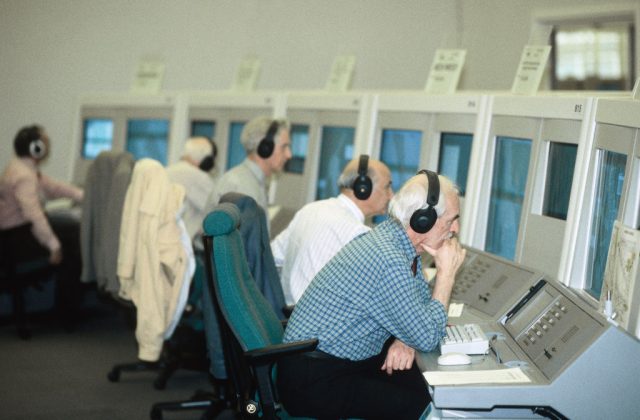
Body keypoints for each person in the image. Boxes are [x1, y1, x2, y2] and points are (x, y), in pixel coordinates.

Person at [277, 170, 466, 420]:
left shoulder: (395, 240)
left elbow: (416, 307)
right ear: (424, 220)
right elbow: (428, 337)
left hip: (329, 363)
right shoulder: (390, 260)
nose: (456, 228)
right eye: (452, 219)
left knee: (416, 381)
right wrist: (446, 275)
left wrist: (404, 338)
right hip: (316, 381)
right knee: (420, 402)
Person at [271, 155, 394, 306]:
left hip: (285, 315)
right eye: (387, 186)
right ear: (363, 188)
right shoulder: (357, 233)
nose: (391, 195)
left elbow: (274, 256)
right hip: (316, 323)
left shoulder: (310, 209)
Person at [0, 124, 84, 324]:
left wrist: (82, 195)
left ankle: (65, 308)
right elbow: (33, 215)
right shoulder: (24, 176)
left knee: (68, 230)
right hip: (16, 241)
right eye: (45, 143)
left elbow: (52, 187)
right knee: (73, 243)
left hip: (14, 235)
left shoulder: (20, 167)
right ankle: (68, 313)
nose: (48, 147)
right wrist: (53, 246)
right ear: (36, 148)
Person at [212, 116, 291, 212]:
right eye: (283, 147)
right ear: (265, 148)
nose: (289, 155)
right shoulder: (240, 185)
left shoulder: (254, 182)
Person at [167, 136, 217, 242]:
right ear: (205, 160)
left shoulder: (168, 170)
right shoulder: (199, 177)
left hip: (166, 238)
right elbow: (215, 210)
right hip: (184, 242)